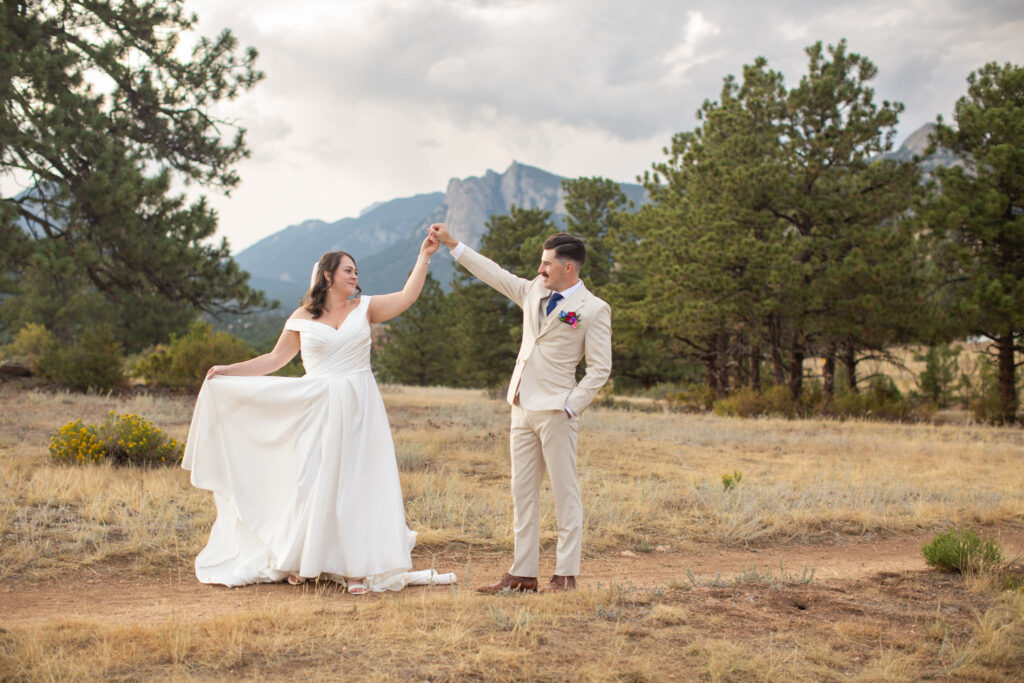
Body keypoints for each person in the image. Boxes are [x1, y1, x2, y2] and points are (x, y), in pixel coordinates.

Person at [182, 234, 455, 594]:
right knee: (312, 481)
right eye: (348, 270)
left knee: (357, 482)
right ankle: (304, 559)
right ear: (328, 276)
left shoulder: (366, 308)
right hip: (317, 407)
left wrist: (424, 257)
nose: (355, 276)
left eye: (356, 271)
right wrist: (229, 370)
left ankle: (354, 567)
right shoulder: (301, 317)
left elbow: (407, 297)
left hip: (360, 406)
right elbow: (274, 360)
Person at [428, 223, 612, 593]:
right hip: (521, 406)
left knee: (565, 492)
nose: (540, 269)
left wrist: (570, 407)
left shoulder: (593, 309)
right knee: (522, 491)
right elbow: (493, 273)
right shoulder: (532, 291)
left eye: (547, 263)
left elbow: (599, 369)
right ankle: (523, 573)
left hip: (557, 412)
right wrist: (452, 244)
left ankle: (565, 574)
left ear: (568, 268)